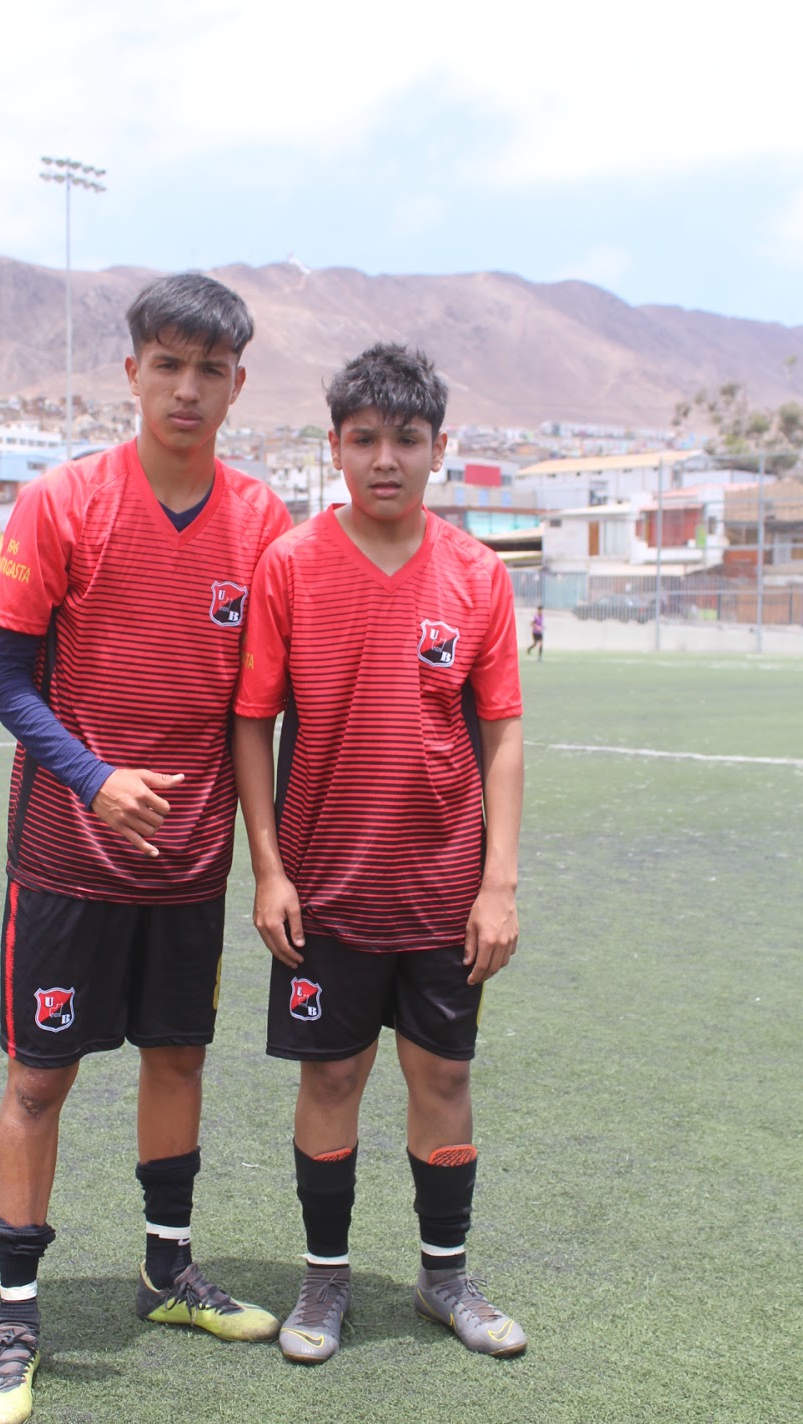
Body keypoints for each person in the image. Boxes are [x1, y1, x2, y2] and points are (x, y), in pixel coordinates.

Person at [0, 273, 291, 1424]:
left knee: (178, 1059)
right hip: (66, 858)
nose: (187, 389)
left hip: (189, 865)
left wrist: (270, 856)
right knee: (38, 1079)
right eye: (167, 365)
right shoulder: (61, 502)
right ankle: (17, 1315)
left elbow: (263, 706)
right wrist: (95, 778)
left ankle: (166, 1271)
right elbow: (2, 673)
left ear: (237, 384)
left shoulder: (260, 523)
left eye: (210, 370)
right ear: (132, 373)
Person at [233, 344, 527, 1366]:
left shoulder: (477, 573)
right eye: (363, 439)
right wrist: (268, 869)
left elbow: (501, 732)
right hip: (323, 890)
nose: (385, 458)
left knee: (441, 1074)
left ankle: (444, 1277)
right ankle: (323, 1281)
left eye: (406, 438)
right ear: (335, 447)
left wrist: (497, 884)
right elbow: (252, 721)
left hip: (443, 891)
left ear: (438, 448)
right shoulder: (290, 565)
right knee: (330, 1080)